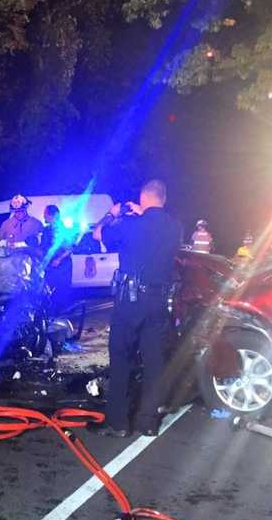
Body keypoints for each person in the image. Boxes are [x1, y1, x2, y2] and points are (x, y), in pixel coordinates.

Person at [92, 179, 182, 437]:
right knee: (154, 361)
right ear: (163, 199)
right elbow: (154, 229)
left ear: (142, 198)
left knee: (121, 358)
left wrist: (113, 214)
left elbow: (98, 234)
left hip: (130, 302)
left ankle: (117, 423)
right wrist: (142, 214)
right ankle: (149, 422)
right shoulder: (175, 227)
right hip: (159, 302)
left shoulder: (130, 224)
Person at [41, 205, 73, 312]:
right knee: (49, 290)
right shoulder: (46, 230)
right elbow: (43, 247)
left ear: (52, 216)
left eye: (45, 214)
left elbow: (69, 248)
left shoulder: (64, 230)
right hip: (50, 265)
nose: (44, 216)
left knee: (61, 291)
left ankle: (64, 314)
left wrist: (59, 259)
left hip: (62, 265)